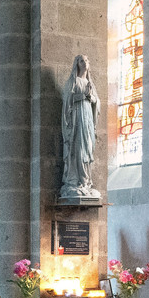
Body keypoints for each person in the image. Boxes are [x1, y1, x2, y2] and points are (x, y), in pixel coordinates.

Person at [60, 54, 100, 199]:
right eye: (82, 60)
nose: (85, 63)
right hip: (77, 120)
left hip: (88, 120)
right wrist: (82, 97)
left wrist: (91, 97)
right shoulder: (73, 81)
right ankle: (75, 181)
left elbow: (97, 102)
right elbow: (67, 100)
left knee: (88, 149)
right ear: (77, 64)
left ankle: (86, 182)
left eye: (87, 60)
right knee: (79, 149)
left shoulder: (90, 83)